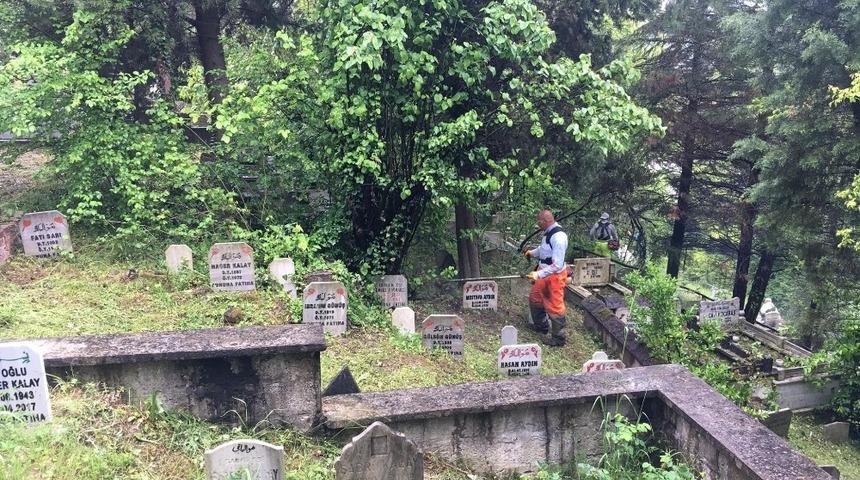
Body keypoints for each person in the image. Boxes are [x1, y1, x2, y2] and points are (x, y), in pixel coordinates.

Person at [523, 210, 569, 347]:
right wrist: (532, 253)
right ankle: (541, 326)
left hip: (554, 276)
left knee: (555, 306)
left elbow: (557, 264)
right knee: (535, 298)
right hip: (543, 271)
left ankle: (558, 338)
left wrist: (538, 275)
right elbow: (544, 250)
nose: (538, 223)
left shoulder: (559, 238)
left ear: (546, 220)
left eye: (539, 221)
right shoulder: (548, 232)